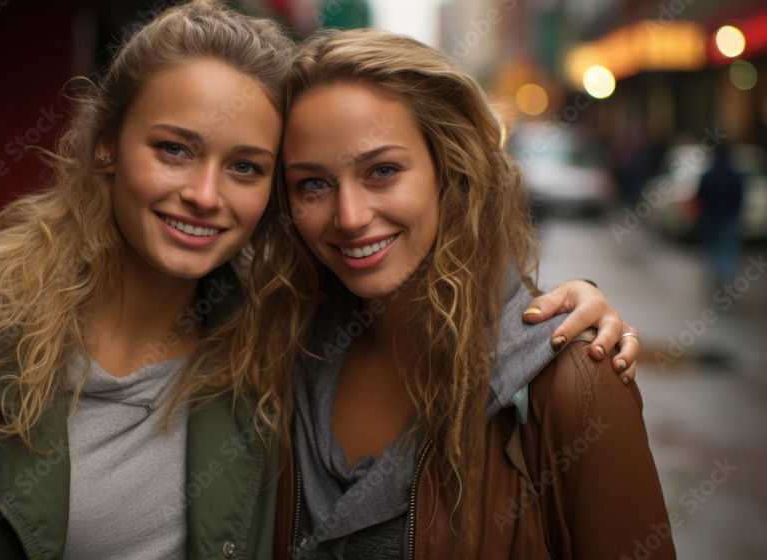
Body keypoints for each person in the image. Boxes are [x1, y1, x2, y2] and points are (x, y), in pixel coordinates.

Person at [0, 4, 639, 559]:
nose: (203, 194)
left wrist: (558, 319)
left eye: (248, 167)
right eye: (174, 148)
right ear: (107, 143)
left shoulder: (266, 346)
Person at [180, 28, 669, 560]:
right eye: (313, 184)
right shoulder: (276, 348)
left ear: (447, 168)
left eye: (383, 171)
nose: (350, 217)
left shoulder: (576, 380)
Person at [696, 142, 744, 289]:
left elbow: (701, 195)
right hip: (728, 217)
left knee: (713, 250)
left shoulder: (709, 175)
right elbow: (739, 195)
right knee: (727, 249)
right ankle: (726, 279)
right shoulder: (734, 174)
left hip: (711, 218)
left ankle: (718, 278)